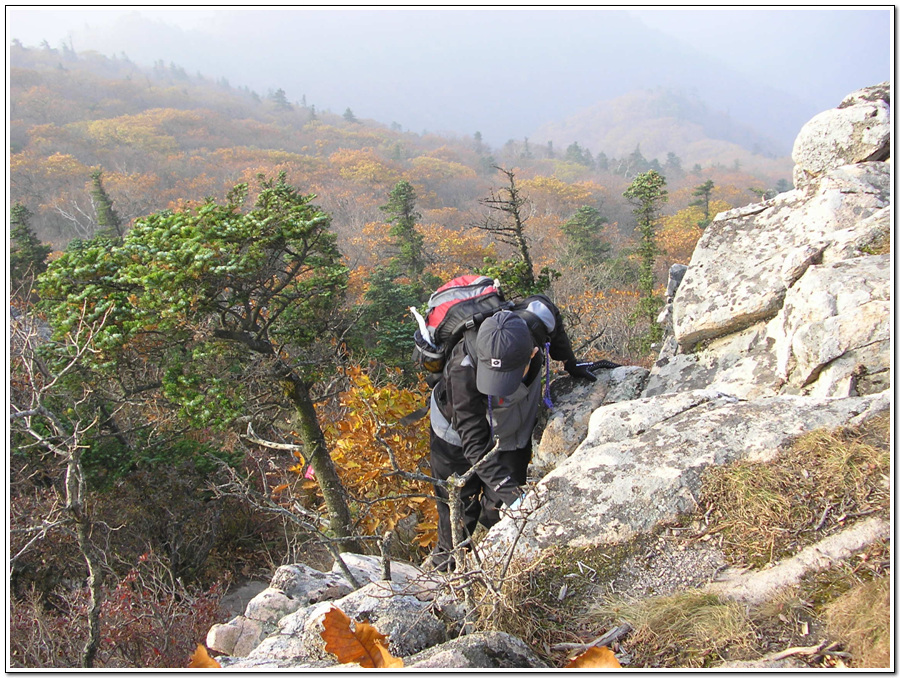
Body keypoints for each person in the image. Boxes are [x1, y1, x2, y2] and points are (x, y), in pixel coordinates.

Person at [426, 294, 597, 571]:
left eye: (506, 377)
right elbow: (472, 441)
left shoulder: (538, 320)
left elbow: (555, 324)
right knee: (458, 511)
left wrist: (571, 363)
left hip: (511, 432)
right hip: (454, 439)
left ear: (532, 352)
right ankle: (448, 566)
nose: (497, 386)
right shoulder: (463, 367)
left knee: (499, 509)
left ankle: (491, 548)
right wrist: (514, 494)